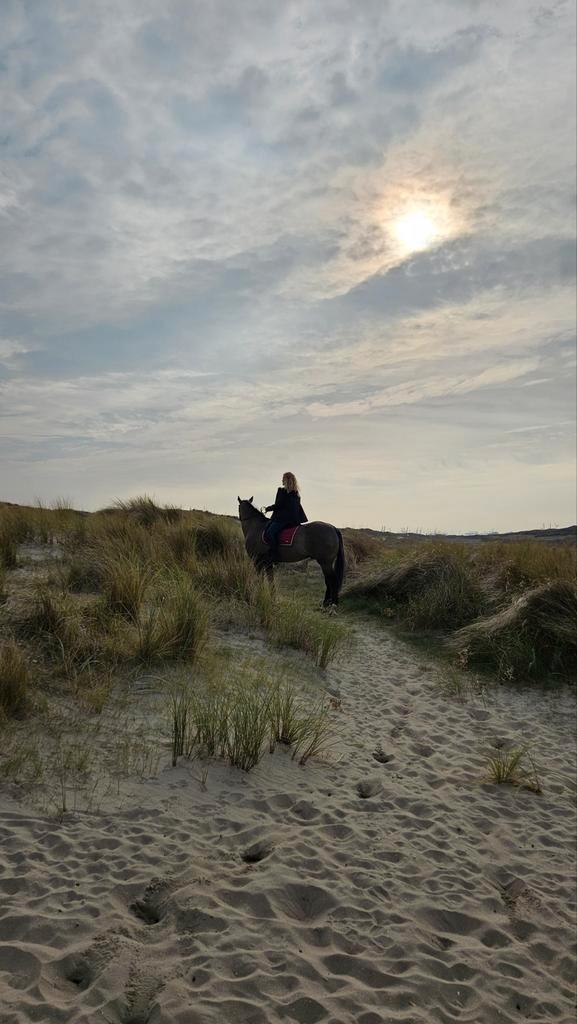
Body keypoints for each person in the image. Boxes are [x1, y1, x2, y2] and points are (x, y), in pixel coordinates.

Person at [263, 472, 307, 555]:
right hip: (294, 521)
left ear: (286, 480)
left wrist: (267, 509)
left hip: (282, 519)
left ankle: (274, 553)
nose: (281, 480)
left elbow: (279, 505)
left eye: (283, 478)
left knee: (269, 532)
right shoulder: (296, 494)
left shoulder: (282, 491)